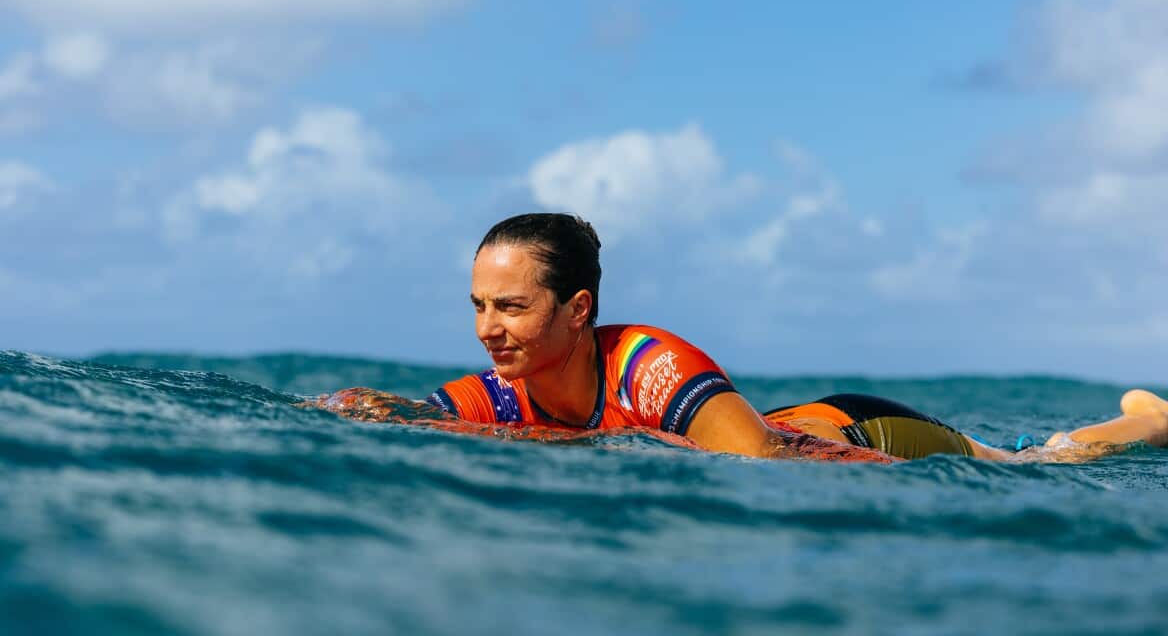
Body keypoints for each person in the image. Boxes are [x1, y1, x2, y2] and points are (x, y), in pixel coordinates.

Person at [424, 212, 1168, 462]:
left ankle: (1150, 421)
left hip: (866, 432)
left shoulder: (651, 367)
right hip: (801, 422)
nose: (489, 328)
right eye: (480, 305)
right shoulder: (499, 390)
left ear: (578, 309)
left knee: (1031, 463)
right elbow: (392, 417)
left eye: (512, 307)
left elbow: (762, 464)